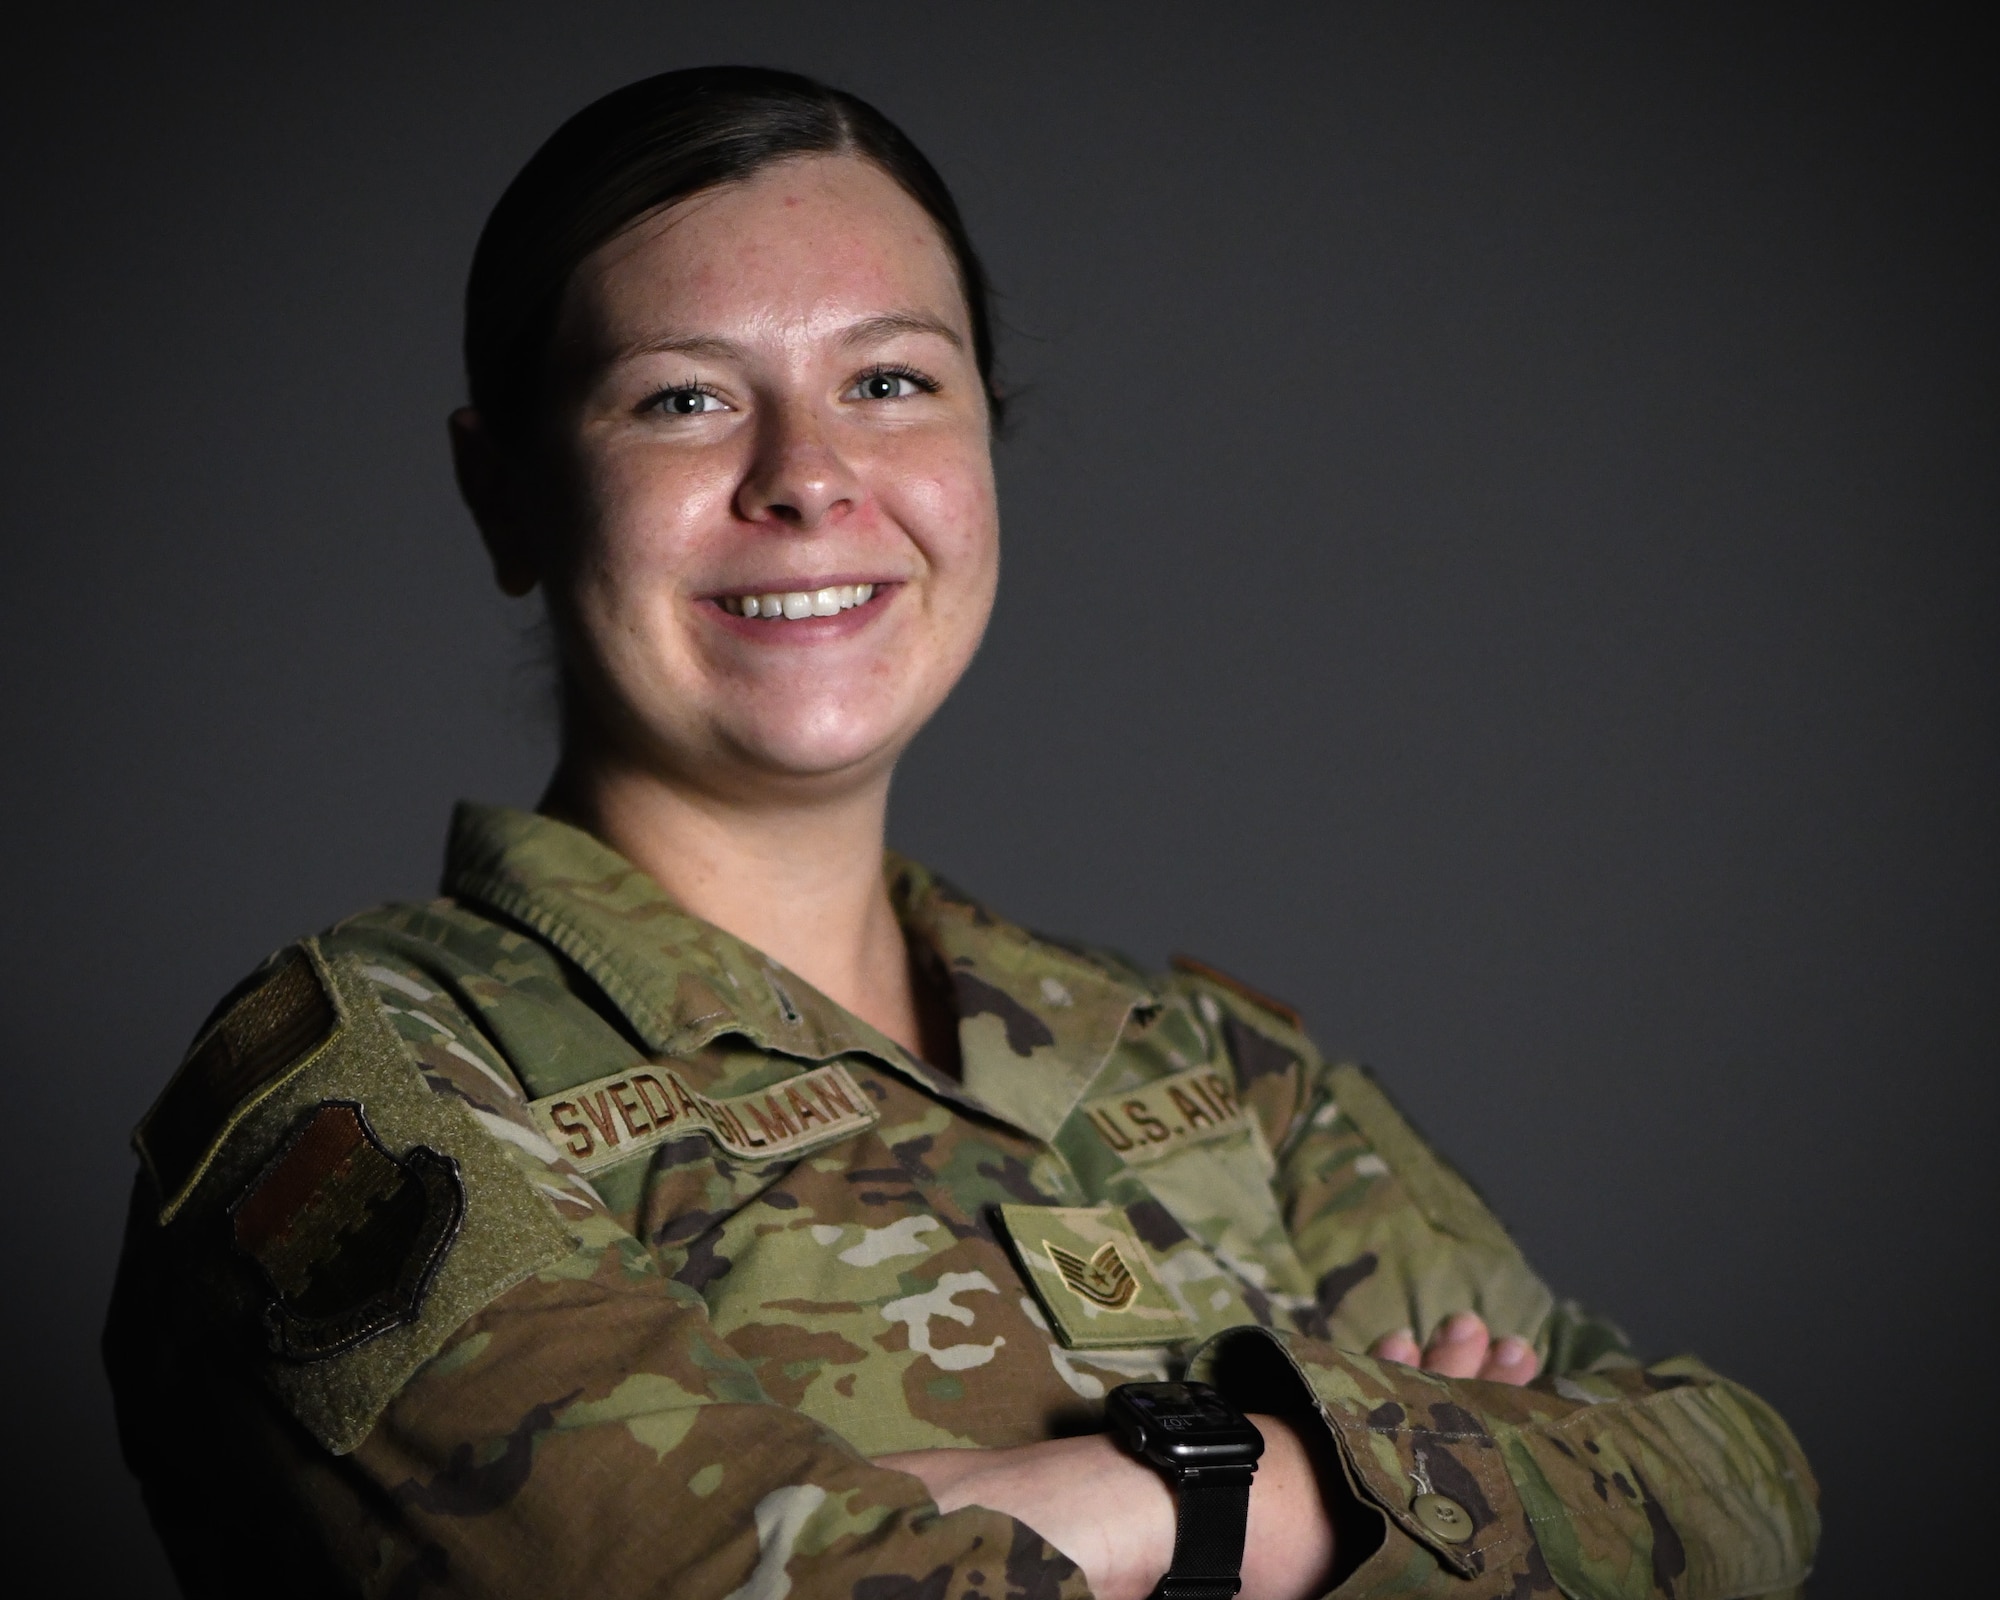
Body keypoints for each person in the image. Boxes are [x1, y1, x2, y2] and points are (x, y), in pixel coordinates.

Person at [104, 66, 1819, 1600]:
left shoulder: (1213, 1066)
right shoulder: (367, 1093)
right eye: (685, 399)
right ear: (508, 492)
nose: (809, 477)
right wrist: (1429, 1481)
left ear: (984, 443)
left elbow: (1741, 1488)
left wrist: (1162, 1496)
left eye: (894, 381)